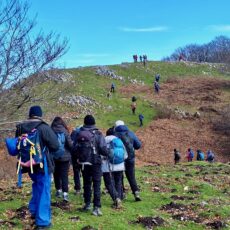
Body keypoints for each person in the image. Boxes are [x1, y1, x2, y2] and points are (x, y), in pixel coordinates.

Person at [15, 105, 59, 229]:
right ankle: (43, 222)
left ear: (30, 114)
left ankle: (34, 211)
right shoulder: (43, 127)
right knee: (44, 190)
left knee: (36, 185)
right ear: (40, 115)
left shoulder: (20, 128)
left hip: (27, 165)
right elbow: (55, 146)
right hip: (41, 164)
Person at [72, 115, 108, 216]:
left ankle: (87, 204)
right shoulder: (98, 133)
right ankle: (96, 207)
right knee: (97, 184)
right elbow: (103, 149)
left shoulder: (79, 133)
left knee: (87, 183)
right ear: (94, 123)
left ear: (84, 123)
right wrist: (108, 153)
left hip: (84, 163)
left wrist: (77, 160)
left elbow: (74, 148)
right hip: (96, 162)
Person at [114, 120, 142, 201]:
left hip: (119, 159)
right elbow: (138, 145)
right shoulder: (130, 133)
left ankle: (122, 194)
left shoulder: (115, 134)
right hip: (130, 158)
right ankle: (136, 193)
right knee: (131, 176)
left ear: (115, 126)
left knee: (119, 177)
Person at [102, 127, 128, 208]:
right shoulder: (119, 140)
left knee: (108, 183)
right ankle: (119, 199)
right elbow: (125, 155)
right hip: (120, 165)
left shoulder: (103, 140)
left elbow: (101, 154)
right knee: (118, 182)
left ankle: (116, 199)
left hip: (107, 166)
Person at [51, 117, 73, 202]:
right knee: (64, 175)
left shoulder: (51, 130)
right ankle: (65, 194)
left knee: (56, 174)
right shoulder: (65, 131)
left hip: (54, 156)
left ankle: (58, 190)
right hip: (65, 157)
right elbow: (70, 145)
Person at [71, 125, 83, 195]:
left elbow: (71, 144)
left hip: (75, 156)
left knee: (76, 173)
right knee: (85, 173)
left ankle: (78, 189)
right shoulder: (85, 133)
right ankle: (87, 188)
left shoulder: (74, 133)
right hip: (84, 156)